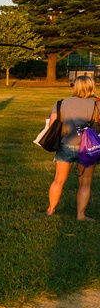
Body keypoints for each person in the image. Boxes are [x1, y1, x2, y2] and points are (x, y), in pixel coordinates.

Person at [46, 75, 99, 221]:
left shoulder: (60, 103)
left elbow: (52, 126)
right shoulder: (96, 105)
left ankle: (50, 210)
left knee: (59, 180)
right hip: (88, 149)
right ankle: (80, 215)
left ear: (75, 87)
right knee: (85, 182)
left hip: (66, 145)